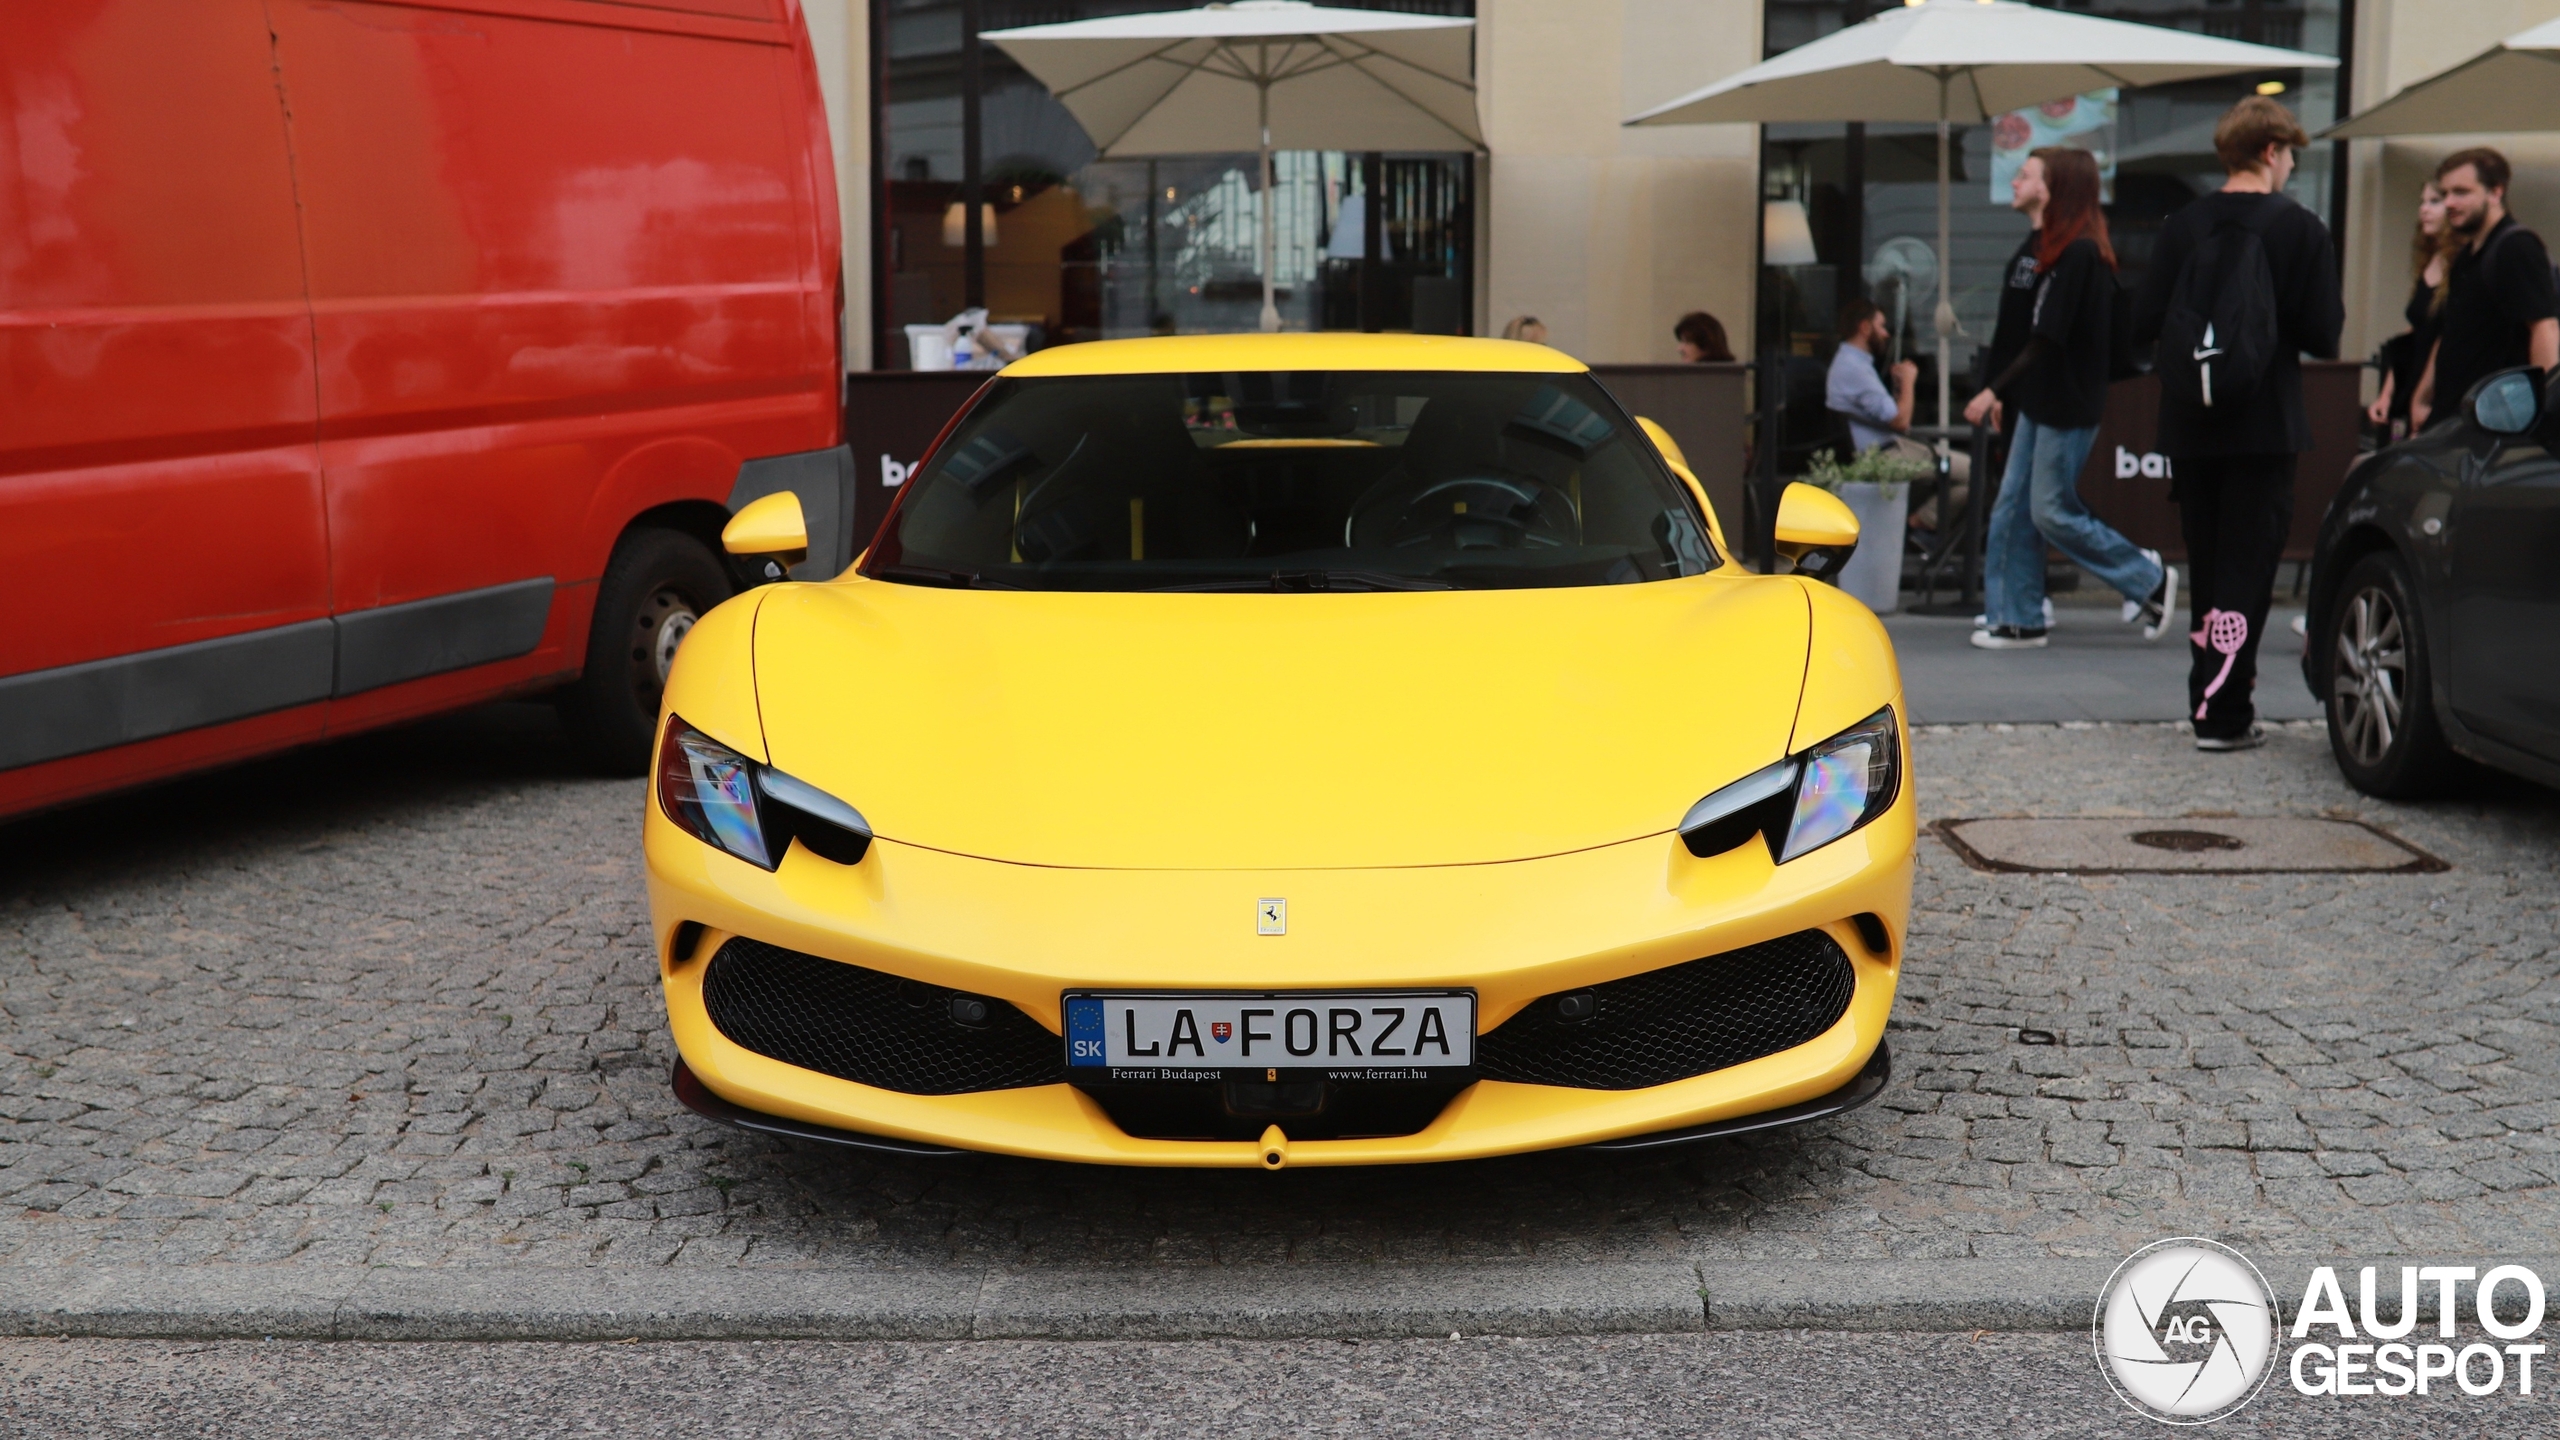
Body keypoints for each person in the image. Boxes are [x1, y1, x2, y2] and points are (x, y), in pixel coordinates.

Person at [2132, 96, 2342, 751]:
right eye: (2291, 155)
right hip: (2264, 424)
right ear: (2272, 152)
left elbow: (2144, 326)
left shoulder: (2182, 225)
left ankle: (2206, 700)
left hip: (2191, 426)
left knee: (2207, 563)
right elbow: (2324, 334)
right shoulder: (2300, 229)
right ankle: (2224, 714)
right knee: (2248, 571)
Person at [1964, 147, 2174, 652]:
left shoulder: (2080, 253)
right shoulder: (2050, 249)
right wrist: (2003, 390)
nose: (2015, 180)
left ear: (2057, 186)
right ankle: (2018, 618)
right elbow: (2024, 329)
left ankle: (2146, 578)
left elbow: (2049, 336)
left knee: (2049, 510)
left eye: (2028, 174)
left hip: (2066, 400)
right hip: (2040, 399)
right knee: (2014, 507)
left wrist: (1994, 388)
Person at [2409, 148, 2560, 430]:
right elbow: (2450, 331)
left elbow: (2544, 328)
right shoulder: (2467, 255)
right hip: (2453, 417)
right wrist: (2421, 398)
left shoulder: (2517, 247)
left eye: (2461, 192)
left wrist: (2545, 413)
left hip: (2495, 423)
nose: (2450, 202)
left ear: (2495, 192)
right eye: (2446, 193)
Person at [2364, 181, 2453, 443]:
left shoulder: (2463, 265)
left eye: (2434, 202)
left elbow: (2443, 335)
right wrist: (2387, 394)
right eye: (2422, 202)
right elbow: (2415, 333)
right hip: (2413, 384)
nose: (2424, 210)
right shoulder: (2430, 260)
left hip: (2441, 390)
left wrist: (2423, 398)